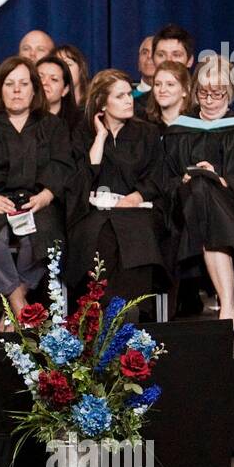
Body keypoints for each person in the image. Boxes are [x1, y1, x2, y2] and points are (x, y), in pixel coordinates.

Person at [0, 56, 73, 330]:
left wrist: (47, 195)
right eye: (10, 84)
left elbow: (62, 164)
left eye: (24, 84)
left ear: (34, 89)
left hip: (37, 200)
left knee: (40, 238)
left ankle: (13, 306)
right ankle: (19, 304)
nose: (16, 90)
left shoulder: (52, 125)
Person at [66, 70, 168, 305]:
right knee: (102, 233)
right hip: (95, 213)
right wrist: (100, 138)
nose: (129, 100)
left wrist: (135, 197)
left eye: (129, 95)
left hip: (137, 209)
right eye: (120, 96)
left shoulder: (147, 133)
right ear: (102, 102)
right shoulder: (82, 134)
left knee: (135, 232)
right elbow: (80, 180)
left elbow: (157, 176)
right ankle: (99, 317)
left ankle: (129, 316)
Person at [161, 54, 234, 329]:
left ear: (230, 93)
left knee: (206, 191)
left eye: (217, 93)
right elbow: (165, 178)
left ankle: (227, 311)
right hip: (187, 207)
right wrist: (187, 177)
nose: (209, 100)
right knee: (199, 185)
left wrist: (223, 179)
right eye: (203, 92)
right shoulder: (179, 130)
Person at [37, 54, 81, 130]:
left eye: (54, 79)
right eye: (40, 77)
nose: (44, 82)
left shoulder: (78, 124)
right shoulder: (21, 120)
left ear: (65, 90)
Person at [145, 60, 193, 127]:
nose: (162, 90)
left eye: (170, 84)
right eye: (157, 84)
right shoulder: (144, 126)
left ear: (185, 90)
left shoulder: (196, 125)